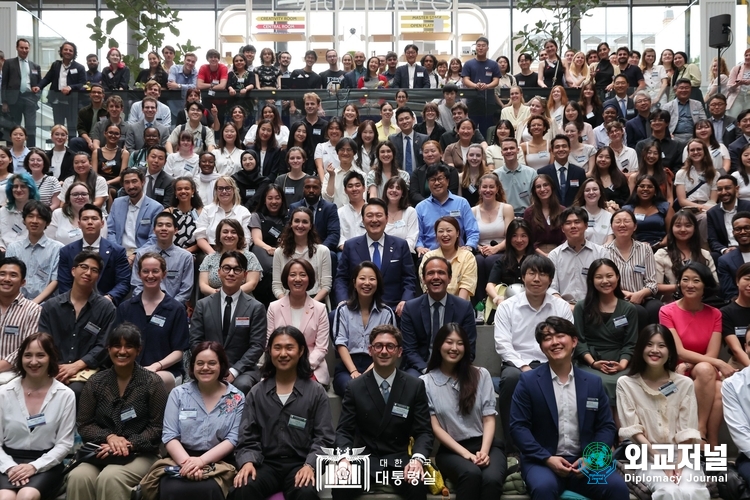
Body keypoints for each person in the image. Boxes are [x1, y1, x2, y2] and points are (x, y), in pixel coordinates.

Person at [510, 316, 629, 500]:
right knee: (543, 488)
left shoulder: (593, 383)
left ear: (574, 341)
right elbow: (518, 427)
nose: (554, 342)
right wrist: (547, 458)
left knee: (617, 487)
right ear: (542, 347)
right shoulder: (528, 382)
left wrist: (592, 459)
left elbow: (606, 427)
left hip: (586, 461)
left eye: (560, 336)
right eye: (547, 338)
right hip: (543, 462)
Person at [66, 324, 167, 500]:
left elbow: (157, 428)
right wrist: (110, 438)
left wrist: (128, 444)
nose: (122, 351)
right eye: (116, 346)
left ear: (138, 350)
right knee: (78, 477)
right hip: (102, 449)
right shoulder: (96, 382)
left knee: (111, 478)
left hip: (141, 453)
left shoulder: (153, 382)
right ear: (108, 349)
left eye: (128, 346)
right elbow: (84, 425)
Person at [233, 325, 333, 500]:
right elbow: (247, 435)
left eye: (289, 347)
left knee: (306, 492)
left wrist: (310, 465)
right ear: (270, 352)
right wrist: (247, 461)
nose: (283, 354)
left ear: (301, 351)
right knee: (243, 488)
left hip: (300, 464)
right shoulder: (257, 392)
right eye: (277, 347)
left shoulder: (316, 392)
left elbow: (324, 438)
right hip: (265, 463)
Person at [333, 324, 432, 500]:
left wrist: (417, 459)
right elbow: (344, 431)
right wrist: (344, 458)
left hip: (400, 459)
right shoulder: (354, 387)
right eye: (378, 346)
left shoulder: (414, 385)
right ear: (370, 350)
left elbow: (424, 431)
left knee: (417, 486)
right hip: (366, 459)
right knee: (341, 483)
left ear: (399, 351)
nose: (384, 351)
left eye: (390, 346)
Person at [616, 324, 710, 500]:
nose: (655, 350)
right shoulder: (626, 384)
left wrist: (680, 464)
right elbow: (634, 431)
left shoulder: (684, 384)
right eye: (649, 344)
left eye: (662, 345)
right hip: (646, 454)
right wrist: (661, 460)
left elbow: (686, 429)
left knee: (692, 490)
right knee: (668, 491)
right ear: (641, 348)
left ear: (670, 351)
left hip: (681, 452)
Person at [143, 341, 243, 500]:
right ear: (192, 366)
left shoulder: (236, 397)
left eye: (212, 363)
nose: (205, 368)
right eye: (200, 363)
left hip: (218, 462)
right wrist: (188, 464)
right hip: (180, 458)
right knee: (172, 488)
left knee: (209, 488)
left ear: (221, 366)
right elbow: (170, 435)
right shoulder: (178, 394)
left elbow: (232, 438)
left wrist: (201, 461)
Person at [493, 255, 573, 451]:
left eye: (543, 274)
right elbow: (502, 344)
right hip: (517, 364)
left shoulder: (560, 306)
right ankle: (514, 449)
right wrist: (524, 367)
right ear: (523, 277)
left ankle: (555, 445)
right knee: (511, 379)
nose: (537, 279)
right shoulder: (507, 307)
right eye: (532, 273)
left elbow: (568, 340)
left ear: (551, 280)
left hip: (553, 362)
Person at [422, 323, 507, 500]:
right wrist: (466, 454)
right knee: (471, 474)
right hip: (452, 450)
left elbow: (489, 418)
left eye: (460, 343)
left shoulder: (480, 374)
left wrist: (483, 451)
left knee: (491, 480)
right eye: (449, 342)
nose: (454, 348)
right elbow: (435, 428)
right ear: (439, 345)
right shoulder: (425, 382)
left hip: (487, 445)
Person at [659, 262, 734, 447]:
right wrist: (719, 363)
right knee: (714, 382)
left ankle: (704, 434)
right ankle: (706, 437)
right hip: (676, 369)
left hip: (699, 369)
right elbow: (678, 351)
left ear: (704, 285)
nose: (689, 285)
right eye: (685, 280)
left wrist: (694, 363)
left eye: (696, 280)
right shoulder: (667, 311)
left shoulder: (715, 313)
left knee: (715, 384)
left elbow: (712, 352)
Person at [0, 333, 75, 500]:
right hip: (7, 463)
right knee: (5, 497)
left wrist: (34, 466)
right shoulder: (3, 393)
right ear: (20, 359)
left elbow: (64, 444)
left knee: (27, 496)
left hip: (47, 464)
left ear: (51, 357)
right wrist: (10, 467)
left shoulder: (65, 395)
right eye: (28, 355)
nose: (33, 362)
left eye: (40, 355)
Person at [39, 250, 116, 398]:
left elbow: (104, 346)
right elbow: (43, 342)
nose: (88, 273)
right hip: (54, 367)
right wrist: (58, 368)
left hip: (88, 370)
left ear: (98, 276)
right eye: (84, 267)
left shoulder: (106, 308)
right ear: (73, 270)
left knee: (75, 391)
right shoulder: (51, 306)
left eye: (94, 270)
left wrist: (75, 366)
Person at [190, 251, 267, 394]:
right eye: (226, 268)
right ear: (219, 272)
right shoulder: (202, 305)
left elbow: (257, 346)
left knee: (241, 385)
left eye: (237, 269)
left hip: (242, 369)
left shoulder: (255, 307)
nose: (231, 273)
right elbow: (195, 340)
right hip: (208, 366)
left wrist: (234, 370)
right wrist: (211, 365)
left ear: (244, 275)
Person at [116, 252, 188, 392]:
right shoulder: (125, 308)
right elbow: (117, 344)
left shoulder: (176, 309)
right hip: (129, 369)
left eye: (155, 271)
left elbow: (179, 351)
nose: (150, 275)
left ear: (164, 274)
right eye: (145, 271)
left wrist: (156, 366)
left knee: (147, 381)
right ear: (138, 274)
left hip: (165, 371)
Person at [573, 258, 638, 406]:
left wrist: (621, 365)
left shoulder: (629, 309)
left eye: (609, 276)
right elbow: (579, 341)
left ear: (617, 277)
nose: (605, 281)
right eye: (599, 277)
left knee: (625, 383)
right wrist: (594, 363)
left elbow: (630, 343)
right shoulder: (581, 307)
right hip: (589, 363)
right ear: (591, 280)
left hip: (621, 364)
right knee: (598, 382)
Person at [401, 256, 476, 377]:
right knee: (412, 381)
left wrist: (449, 370)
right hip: (420, 367)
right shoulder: (411, 308)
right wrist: (427, 371)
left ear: (450, 278)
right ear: (423, 279)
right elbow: (409, 350)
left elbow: (469, 349)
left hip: (454, 366)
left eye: (441, 273)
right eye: (430, 273)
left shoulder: (464, 308)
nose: (436, 277)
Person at [332, 260, 398, 396]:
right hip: (348, 366)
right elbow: (340, 342)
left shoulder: (386, 312)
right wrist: (353, 372)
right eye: (362, 278)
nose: (367, 283)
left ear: (377, 283)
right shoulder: (343, 310)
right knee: (350, 388)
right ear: (354, 283)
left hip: (378, 365)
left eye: (372, 279)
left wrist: (368, 374)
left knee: (372, 388)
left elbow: (389, 345)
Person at [267, 259, 329, 385]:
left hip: (311, 366)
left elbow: (321, 347)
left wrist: (302, 367)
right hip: (280, 363)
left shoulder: (320, 309)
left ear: (309, 279)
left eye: (302, 275)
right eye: (293, 275)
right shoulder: (274, 307)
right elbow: (269, 342)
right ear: (286, 278)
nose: (297, 279)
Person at [57, 203, 129, 302]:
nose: (90, 222)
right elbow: (64, 283)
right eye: (85, 219)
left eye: (94, 218)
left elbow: (123, 282)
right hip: (74, 305)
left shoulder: (117, 251)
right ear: (79, 224)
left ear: (102, 223)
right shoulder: (66, 251)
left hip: (106, 304)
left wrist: (108, 298)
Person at [548, 206, 608, 306]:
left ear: (586, 225)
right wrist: (566, 307)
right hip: (564, 307)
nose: (573, 226)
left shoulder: (600, 253)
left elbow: (606, 283)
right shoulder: (554, 255)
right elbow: (551, 288)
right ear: (562, 228)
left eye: (577, 222)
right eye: (568, 223)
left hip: (594, 306)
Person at [415, 164, 479, 256]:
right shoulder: (420, 207)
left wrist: (469, 246)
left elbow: (472, 231)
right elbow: (418, 236)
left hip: (459, 253)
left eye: (440, 178)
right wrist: (419, 247)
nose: (437, 183)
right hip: (430, 254)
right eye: (432, 180)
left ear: (447, 181)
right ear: (428, 183)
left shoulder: (462, 203)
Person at [130, 212, 193, 304]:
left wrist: (169, 307)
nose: (164, 228)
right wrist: (147, 304)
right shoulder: (141, 254)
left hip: (173, 309)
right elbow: (136, 285)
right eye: (160, 225)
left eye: (168, 225)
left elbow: (186, 290)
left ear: (176, 230)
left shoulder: (185, 257)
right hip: (144, 306)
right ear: (154, 230)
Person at [4, 201, 62, 303]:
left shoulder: (57, 248)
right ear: (24, 220)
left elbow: (55, 281)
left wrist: (32, 305)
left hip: (45, 305)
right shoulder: (13, 248)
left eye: (40, 217)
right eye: (30, 216)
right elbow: (8, 277)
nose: (34, 221)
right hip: (15, 303)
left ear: (47, 222)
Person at [655, 210, 717, 303]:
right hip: (671, 302)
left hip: (702, 301)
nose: (683, 229)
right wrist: (681, 287)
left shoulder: (705, 254)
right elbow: (656, 286)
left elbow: (715, 282)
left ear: (695, 228)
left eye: (688, 225)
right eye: (678, 225)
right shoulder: (661, 254)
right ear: (671, 228)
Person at [272, 207, 332, 303]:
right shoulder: (279, 252)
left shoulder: (323, 251)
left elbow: (326, 286)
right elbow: (276, 286)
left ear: (311, 226)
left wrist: (310, 305)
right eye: (297, 221)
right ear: (291, 224)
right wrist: (287, 305)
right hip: (287, 302)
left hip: (316, 301)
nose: (300, 225)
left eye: (305, 222)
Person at [0, 257, 42, 380]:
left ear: (23, 282)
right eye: (2, 274)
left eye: (13, 275)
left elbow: (27, 348)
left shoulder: (33, 310)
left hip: (14, 373)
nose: (6, 279)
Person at [198, 219, 262, 297]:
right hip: (214, 299)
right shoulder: (209, 258)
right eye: (225, 232)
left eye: (233, 232)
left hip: (242, 301)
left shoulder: (250, 257)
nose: (229, 235)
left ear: (239, 236)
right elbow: (203, 285)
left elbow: (252, 284)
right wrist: (218, 295)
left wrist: (228, 295)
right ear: (219, 236)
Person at [107, 168, 163, 256]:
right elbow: (110, 231)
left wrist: (136, 254)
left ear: (143, 182)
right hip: (118, 252)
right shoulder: (117, 203)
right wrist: (117, 252)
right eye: (127, 182)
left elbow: (154, 237)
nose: (131, 186)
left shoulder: (156, 207)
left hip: (144, 254)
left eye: (134, 181)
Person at [419, 217, 477, 301]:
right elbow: (426, 286)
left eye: (449, 230)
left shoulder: (468, 257)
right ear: (436, 235)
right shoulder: (428, 257)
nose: (445, 234)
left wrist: (458, 309)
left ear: (457, 233)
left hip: (460, 307)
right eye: (441, 231)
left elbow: (466, 286)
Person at [35, 41, 85, 134]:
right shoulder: (56, 65)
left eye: (71, 50)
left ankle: (71, 148)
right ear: (61, 51)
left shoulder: (79, 67)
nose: (68, 52)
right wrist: (39, 86)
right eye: (65, 49)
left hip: (72, 103)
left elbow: (83, 84)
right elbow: (47, 78)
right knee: (58, 127)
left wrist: (70, 87)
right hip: (56, 101)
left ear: (74, 53)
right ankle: (58, 147)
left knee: (72, 128)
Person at [485, 219, 535, 308]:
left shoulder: (536, 260)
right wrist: (498, 299)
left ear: (529, 237)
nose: (519, 240)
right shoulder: (502, 260)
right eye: (514, 236)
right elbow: (490, 285)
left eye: (523, 236)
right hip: (507, 304)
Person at [194, 176, 251, 254]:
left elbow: (246, 239)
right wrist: (213, 255)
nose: (224, 191)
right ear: (216, 191)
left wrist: (237, 257)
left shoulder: (244, 212)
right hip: (211, 251)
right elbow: (200, 237)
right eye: (220, 188)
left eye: (228, 188)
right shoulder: (207, 210)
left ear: (234, 190)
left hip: (236, 253)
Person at [674, 139, 718, 240]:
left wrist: (705, 208)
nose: (695, 152)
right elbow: (682, 201)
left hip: (707, 208)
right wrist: (700, 207)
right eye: (692, 150)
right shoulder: (681, 173)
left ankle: (705, 247)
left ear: (704, 152)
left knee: (707, 217)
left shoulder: (715, 174)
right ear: (688, 153)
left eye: (699, 149)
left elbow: (713, 200)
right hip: (688, 208)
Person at [1, 40, 41, 147]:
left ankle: (32, 149)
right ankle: (11, 149)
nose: (24, 50)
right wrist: (4, 102)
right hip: (13, 99)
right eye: (22, 48)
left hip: (30, 99)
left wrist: (36, 97)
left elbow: (39, 85)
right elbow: (4, 83)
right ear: (17, 48)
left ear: (29, 49)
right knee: (13, 126)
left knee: (31, 126)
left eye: (26, 48)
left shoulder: (35, 66)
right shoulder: (9, 63)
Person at [461, 37, 501, 135]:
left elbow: (496, 81)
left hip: (489, 102)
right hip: (472, 102)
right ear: (475, 48)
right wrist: (475, 85)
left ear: (487, 48)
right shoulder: (468, 64)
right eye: (478, 46)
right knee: (471, 128)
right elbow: (465, 80)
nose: (481, 48)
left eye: (483, 46)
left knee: (488, 130)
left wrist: (487, 86)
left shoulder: (493, 64)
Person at [290, 177, 341, 253]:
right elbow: (289, 231)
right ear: (303, 189)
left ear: (320, 189)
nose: (311, 190)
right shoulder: (294, 207)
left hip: (322, 247)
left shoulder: (330, 208)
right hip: (299, 247)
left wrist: (320, 250)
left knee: (331, 255)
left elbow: (334, 234)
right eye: (308, 187)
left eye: (315, 187)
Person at [622, 174, 673, 250]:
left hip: (661, 249)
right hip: (633, 249)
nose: (645, 189)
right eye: (642, 186)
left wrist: (661, 244)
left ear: (655, 190)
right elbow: (623, 233)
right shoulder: (627, 209)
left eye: (649, 187)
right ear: (636, 189)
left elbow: (672, 231)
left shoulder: (665, 207)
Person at [707, 175, 750, 263]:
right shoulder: (712, 213)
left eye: (727, 188)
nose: (723, 192)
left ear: (736, 188)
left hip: (747, 246)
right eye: (719, 189)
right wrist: (724, 250)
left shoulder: (748, 206)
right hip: (727, 251)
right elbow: (712, 240)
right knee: (714, 256)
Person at [523, 174, 565, 256]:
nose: (542, 189)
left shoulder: (563, 211)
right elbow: (528, 239)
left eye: (545, 185)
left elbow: (566, 238)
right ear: (534, 191)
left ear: (552, 187)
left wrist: (554, 255)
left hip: (560, 254)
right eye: (538, 187)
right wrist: (544, 255)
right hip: (535, 255)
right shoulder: (529, 212)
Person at [493, 138, 537, 216]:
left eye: (512, 148)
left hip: (527, 215)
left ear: (518, 150)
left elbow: (535, 198)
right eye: (505, 149)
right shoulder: (496, 175)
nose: (509, 151)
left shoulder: (531, 172)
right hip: (503, 215)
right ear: (501, 153)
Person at [0, 173, 38, 252]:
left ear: (30, 189)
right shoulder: (2, 211)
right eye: (15, 186)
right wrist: (1, 247)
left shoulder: (38, 212)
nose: (18, 190)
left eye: (23, 186)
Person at [628, 139, 675, 205]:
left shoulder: (665, 175)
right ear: (644, 154)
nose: (652, 156)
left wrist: (667, 211)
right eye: (649, 152)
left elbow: (669, 198)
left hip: (661, 211)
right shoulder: (634, 177)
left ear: (659, 156)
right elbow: (632, 200)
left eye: (655, 153)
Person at [166, 177, 203, 254]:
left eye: (187, 188)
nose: (183, 191)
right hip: (171, 253)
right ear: (175, 192)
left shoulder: (201, 212)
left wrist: (187, 252)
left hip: (194, 254)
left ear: (193, 191)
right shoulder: (168, 213)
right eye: (179, 189)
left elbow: (204, 237)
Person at [719, 212, 750, 300]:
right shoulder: (725, 260)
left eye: (747, 228)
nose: (743, 232)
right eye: (738, 229)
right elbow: (729, 293)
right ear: (733, 232)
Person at [572, 178, 613, 245]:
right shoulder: (576, 215)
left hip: (604, 253)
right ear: (583, 194)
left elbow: (610, 240)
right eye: (587, 190)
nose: (591, 192)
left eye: (595, 189)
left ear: (600, 193)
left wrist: (600, 252)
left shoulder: (608, 216)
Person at [388, 107, 428, 176]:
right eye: (401, 120)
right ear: (397, 123)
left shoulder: (424, 139)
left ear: (413, 119)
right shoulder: (392, 140)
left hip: (420, 178)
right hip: (399, 179)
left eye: (407, 118)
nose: (404, 122)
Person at [383, 176, 418, 252]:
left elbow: (412, 239)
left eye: (398, 188)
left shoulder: (410, 212)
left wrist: (396, 251)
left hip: (403, 255)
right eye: (391, 187)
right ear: (386, 191)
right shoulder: (379, 211)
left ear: (403, 193)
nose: (394, 190)